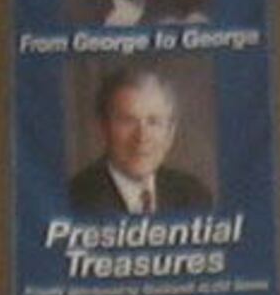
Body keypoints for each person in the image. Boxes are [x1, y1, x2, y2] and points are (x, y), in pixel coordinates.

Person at [67, 62, 214, 214]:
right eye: (128, 121)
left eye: (153, 122)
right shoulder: (73, 200)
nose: (142, 137)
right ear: (104, 129)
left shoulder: (195, 196)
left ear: (170, 133)